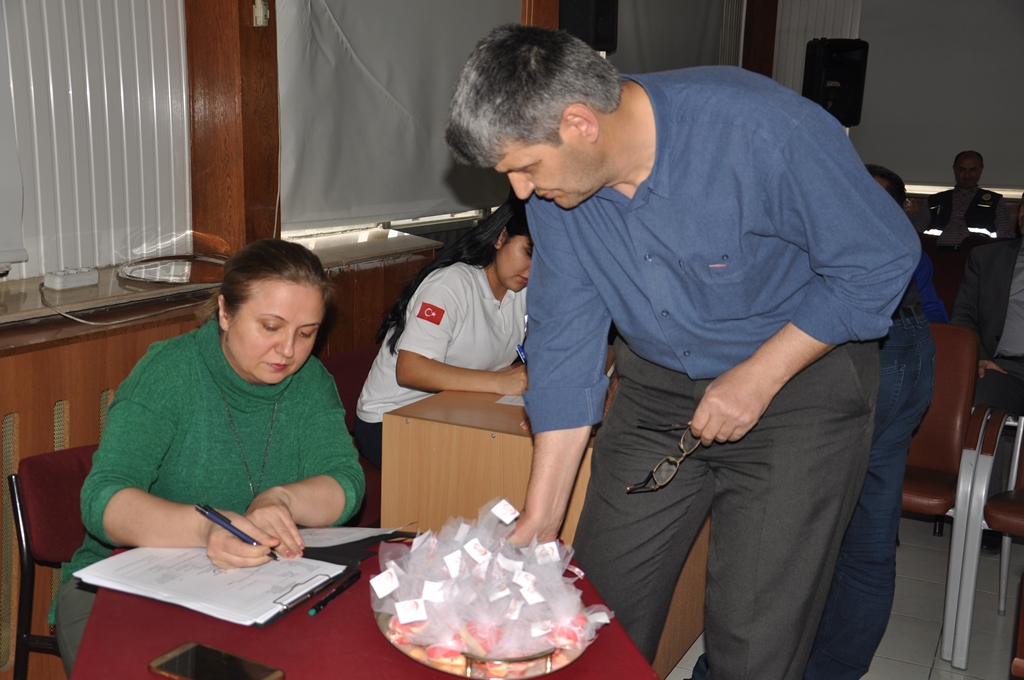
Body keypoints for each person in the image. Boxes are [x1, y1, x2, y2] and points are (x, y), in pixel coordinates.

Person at [444, 24, 918, 680]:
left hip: (798, 386)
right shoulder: (560, 192)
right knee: (597, 613)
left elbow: (880, 259)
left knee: (753, 638)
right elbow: (566, 338)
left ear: (579, 123)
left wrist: (758, 377)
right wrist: (543, 514)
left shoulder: (762, 131)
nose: (521, 191)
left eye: (525, 167)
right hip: (655, 390)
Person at [54, 239, 365, 673]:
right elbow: (102, 500)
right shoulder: (169, 373)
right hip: (122, 585)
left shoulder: (310, 382)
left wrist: (282, 500)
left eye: (306, 333)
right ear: (225, 313)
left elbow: (346, 481)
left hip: (256, 587)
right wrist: (205, 529)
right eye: (270, 327)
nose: (288, 350)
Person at [800, 165, 937, 679]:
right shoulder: (896, 235)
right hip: (908, 345)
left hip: (870, 351)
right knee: (868, 538)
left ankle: (750, 666)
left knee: (796, 532)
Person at [355, 196, 531, 468]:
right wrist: (500, 382)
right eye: (529, 253)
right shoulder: (451, 283)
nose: (533, 269)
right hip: (391, 420)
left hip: (456, 408)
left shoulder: (523, 289)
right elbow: (410, 369)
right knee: (495, 466)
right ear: (501, 238)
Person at [950, 226, 1024, 551]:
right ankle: (987, 512)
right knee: (980, 405)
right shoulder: (986, 257)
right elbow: (964, 314)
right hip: (1002, 366)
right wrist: (978, 356)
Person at [912, 150, 1014, 247]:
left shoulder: (995, 201)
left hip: (979, 255)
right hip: (939, 254)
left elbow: (1005, 237)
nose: (967, 176)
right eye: (962, 170)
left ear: (981, 169)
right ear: (954, 169)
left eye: (972, 170)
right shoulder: (935, 201)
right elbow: (913, 232)